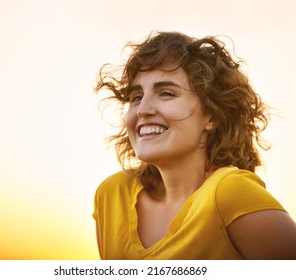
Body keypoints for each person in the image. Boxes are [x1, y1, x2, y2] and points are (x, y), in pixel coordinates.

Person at [93, 31, 296, 259]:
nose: (143, 109)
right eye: (136, 97)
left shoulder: (230, 193)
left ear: (211, 116)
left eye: (166, 93)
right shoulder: (111, 195)